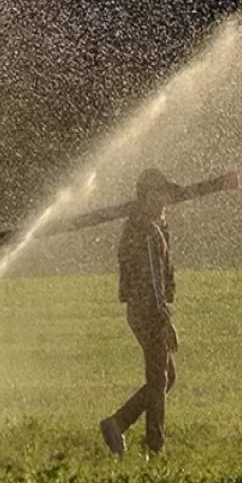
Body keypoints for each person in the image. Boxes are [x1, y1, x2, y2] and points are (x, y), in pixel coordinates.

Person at [100, 169, 181, 457]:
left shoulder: (146, 226)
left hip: (142, 311)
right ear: (146, 196)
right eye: (159, 194)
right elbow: (153, 282)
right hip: (148, 312)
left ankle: (118, 423)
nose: (164, 201)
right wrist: (165, 321)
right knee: (160, 379)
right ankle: (153, 446)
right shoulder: (146, 232)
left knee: (165, 378)